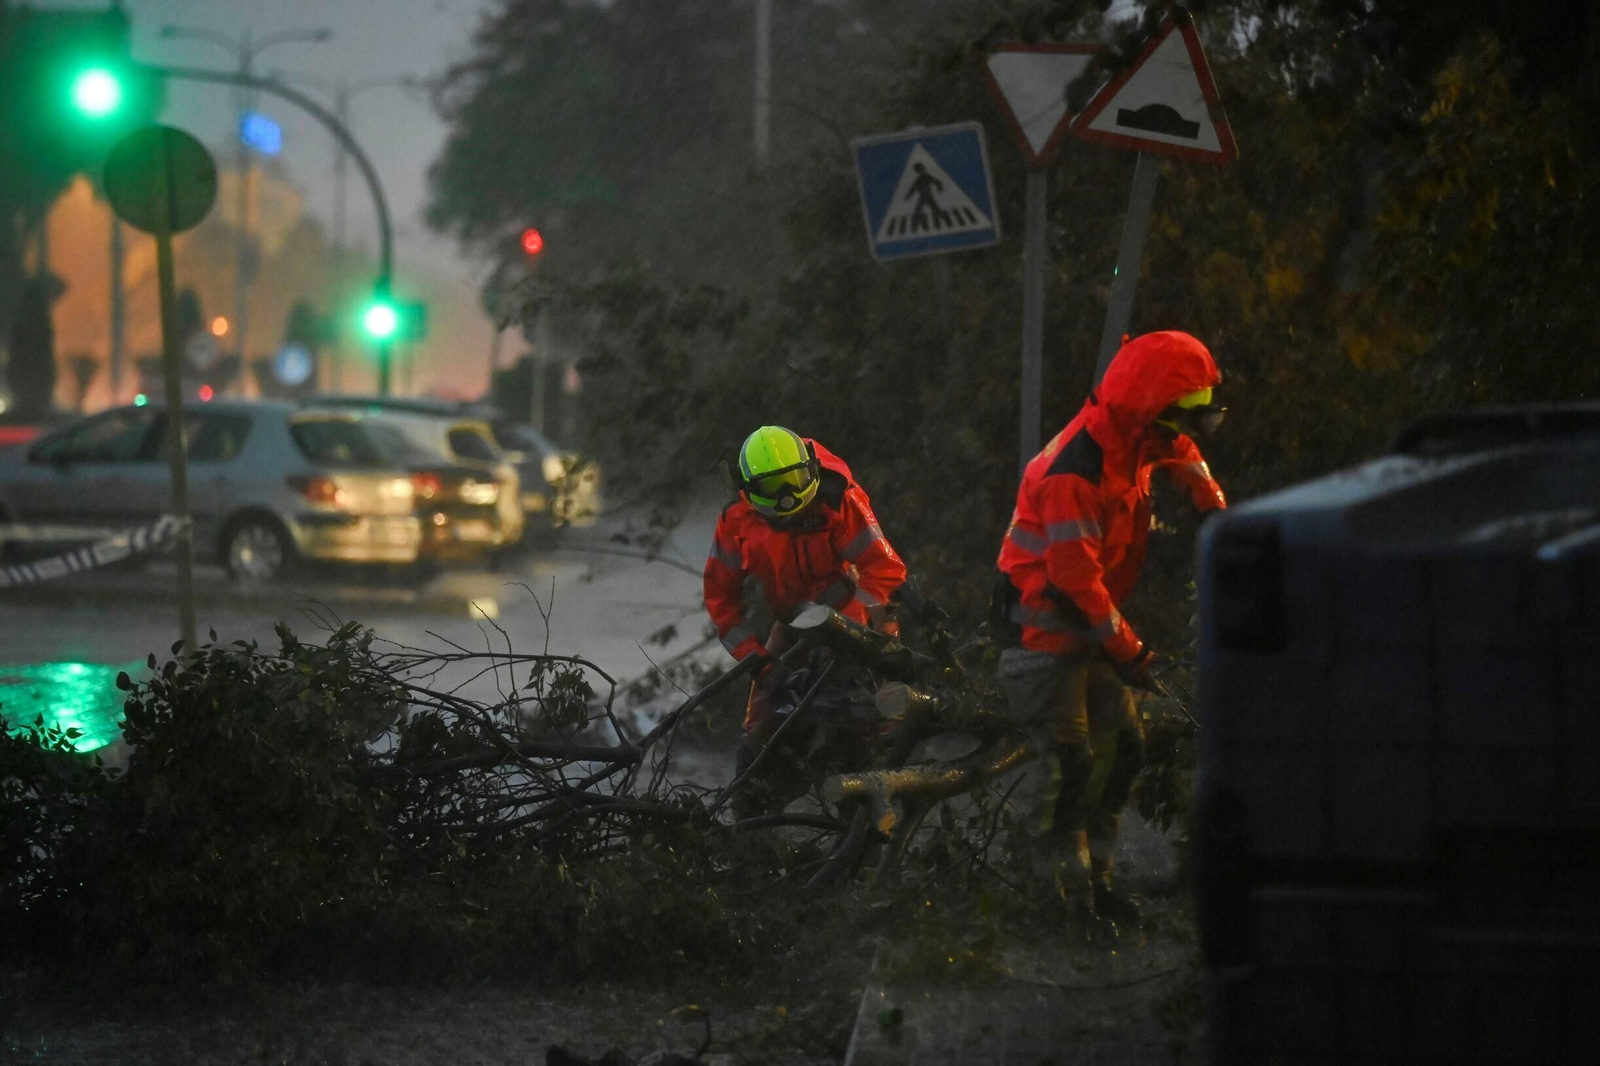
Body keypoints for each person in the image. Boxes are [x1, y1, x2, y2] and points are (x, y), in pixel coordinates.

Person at [994, 331, 1228, 921]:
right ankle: (1048, 899)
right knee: (1067, 767)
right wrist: (1131, 652)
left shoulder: (1136, 437)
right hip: (1042, 640)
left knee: (1124, 750)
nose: (1192, 428)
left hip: (1088, 635)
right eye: (1188, 413)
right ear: (1152, 407)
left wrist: (1213, 509)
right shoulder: (1077, 471)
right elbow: (1077, 586)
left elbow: (1184, 451)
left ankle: (1096, 882)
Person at [704, 426, 907, 815]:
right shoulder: (737, 521)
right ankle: (752, 828)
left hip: (864, 624)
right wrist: (760, 663)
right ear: (748, 489)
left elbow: (885, 571)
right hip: (794, 627)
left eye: (794, 481)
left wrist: (847, 628)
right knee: (761, 737)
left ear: (810, 469)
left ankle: (870, 828)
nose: (788, 496)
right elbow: (722, 602)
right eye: (775, 486)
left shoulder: (838, 498)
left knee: (871, 730)